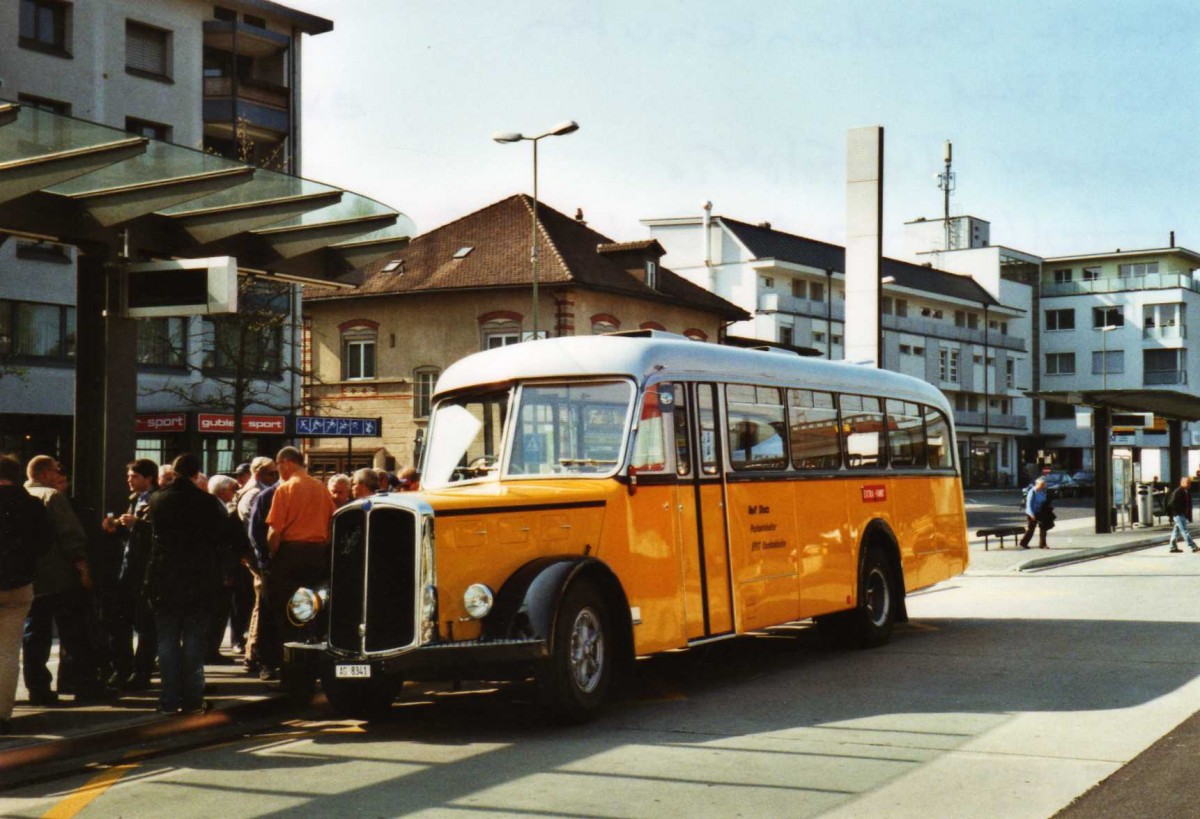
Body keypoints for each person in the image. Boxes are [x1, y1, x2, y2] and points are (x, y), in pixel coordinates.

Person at [144, 454, 227, 715]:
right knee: (193, 642)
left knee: (166, 641)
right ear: (196, 473)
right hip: (198, 580)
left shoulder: (157, 499)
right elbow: (218, 541)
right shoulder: (208, 502)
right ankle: (193, 699)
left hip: (165, 577)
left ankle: (168, 700)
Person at [23, 455, 106, 704]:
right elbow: (70, 535)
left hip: (28, 580)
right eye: (56, 469)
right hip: (59, 578)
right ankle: (84, 685)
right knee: (74, 632)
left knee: (34, 635)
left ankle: (38, 688)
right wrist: (82, 567)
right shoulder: (51, 496)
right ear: (46, 472)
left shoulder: (20, 495)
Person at [265, 447, 334, 674]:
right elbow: (331, 524)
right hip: (317, 555)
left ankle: (289, 671)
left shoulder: (284, 489)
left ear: (287, 463)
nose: (278, 470)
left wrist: (273, 556)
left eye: (278, 465)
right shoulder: (322, 488)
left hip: (290, 555)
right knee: (312, 612)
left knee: (285, 615)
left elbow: (274, 532)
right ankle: (312, 668)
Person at [99, 459, 159, 691]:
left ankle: (141, 672)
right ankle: (123, 668)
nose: (129, 481)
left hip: (144, 573)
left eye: (134, 476)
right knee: (119, 622)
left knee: (145, 624)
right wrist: (118, 529)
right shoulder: (134, 500)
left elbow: (158, 536)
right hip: (127, 570)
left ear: (148, 478)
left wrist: (137, 525)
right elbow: (132, 540)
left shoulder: (155, 501)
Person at [0, 455, 48, 733]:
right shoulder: (31, 504)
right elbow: (42, 545)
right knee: (7, 652)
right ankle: (2, 714)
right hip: (19, 585)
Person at [235, 458, 277, 675]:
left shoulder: (255, 491)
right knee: (261, 603)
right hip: (256, 556)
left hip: (252, 555)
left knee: (261, 603)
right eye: (272, 474)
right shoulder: (255, 493)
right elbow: (253, 529)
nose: (275, 478)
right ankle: (253, 654)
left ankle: (254, 652)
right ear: (260, 473)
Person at [1020, 476, 1052, 550]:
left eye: (1043, 485)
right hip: (1032, 513)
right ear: (1037, 484)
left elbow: (1044, 500)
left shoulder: (1042, 491)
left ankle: (1043, 544)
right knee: (1031, 529)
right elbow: (1029, 505)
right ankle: (1023, 543)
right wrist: (1032, 514)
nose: (1042, 486)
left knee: (1043, 528)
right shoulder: (1032, 492)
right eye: (1041, 485)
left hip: (1041, 512)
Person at [1167, 476, 1197, 553]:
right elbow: (1171, 503)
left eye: (1190, 483)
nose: (1189, 485)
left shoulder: (1185, 491)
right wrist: (1176, 512)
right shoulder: (1178, 492)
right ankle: (1193, 546)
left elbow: (1188, 505)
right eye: (1187, 483)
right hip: (1178, 514)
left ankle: (1172, 547)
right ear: (1182, 483)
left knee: (1176, 531)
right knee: (1184, 530)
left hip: (1182, 514)